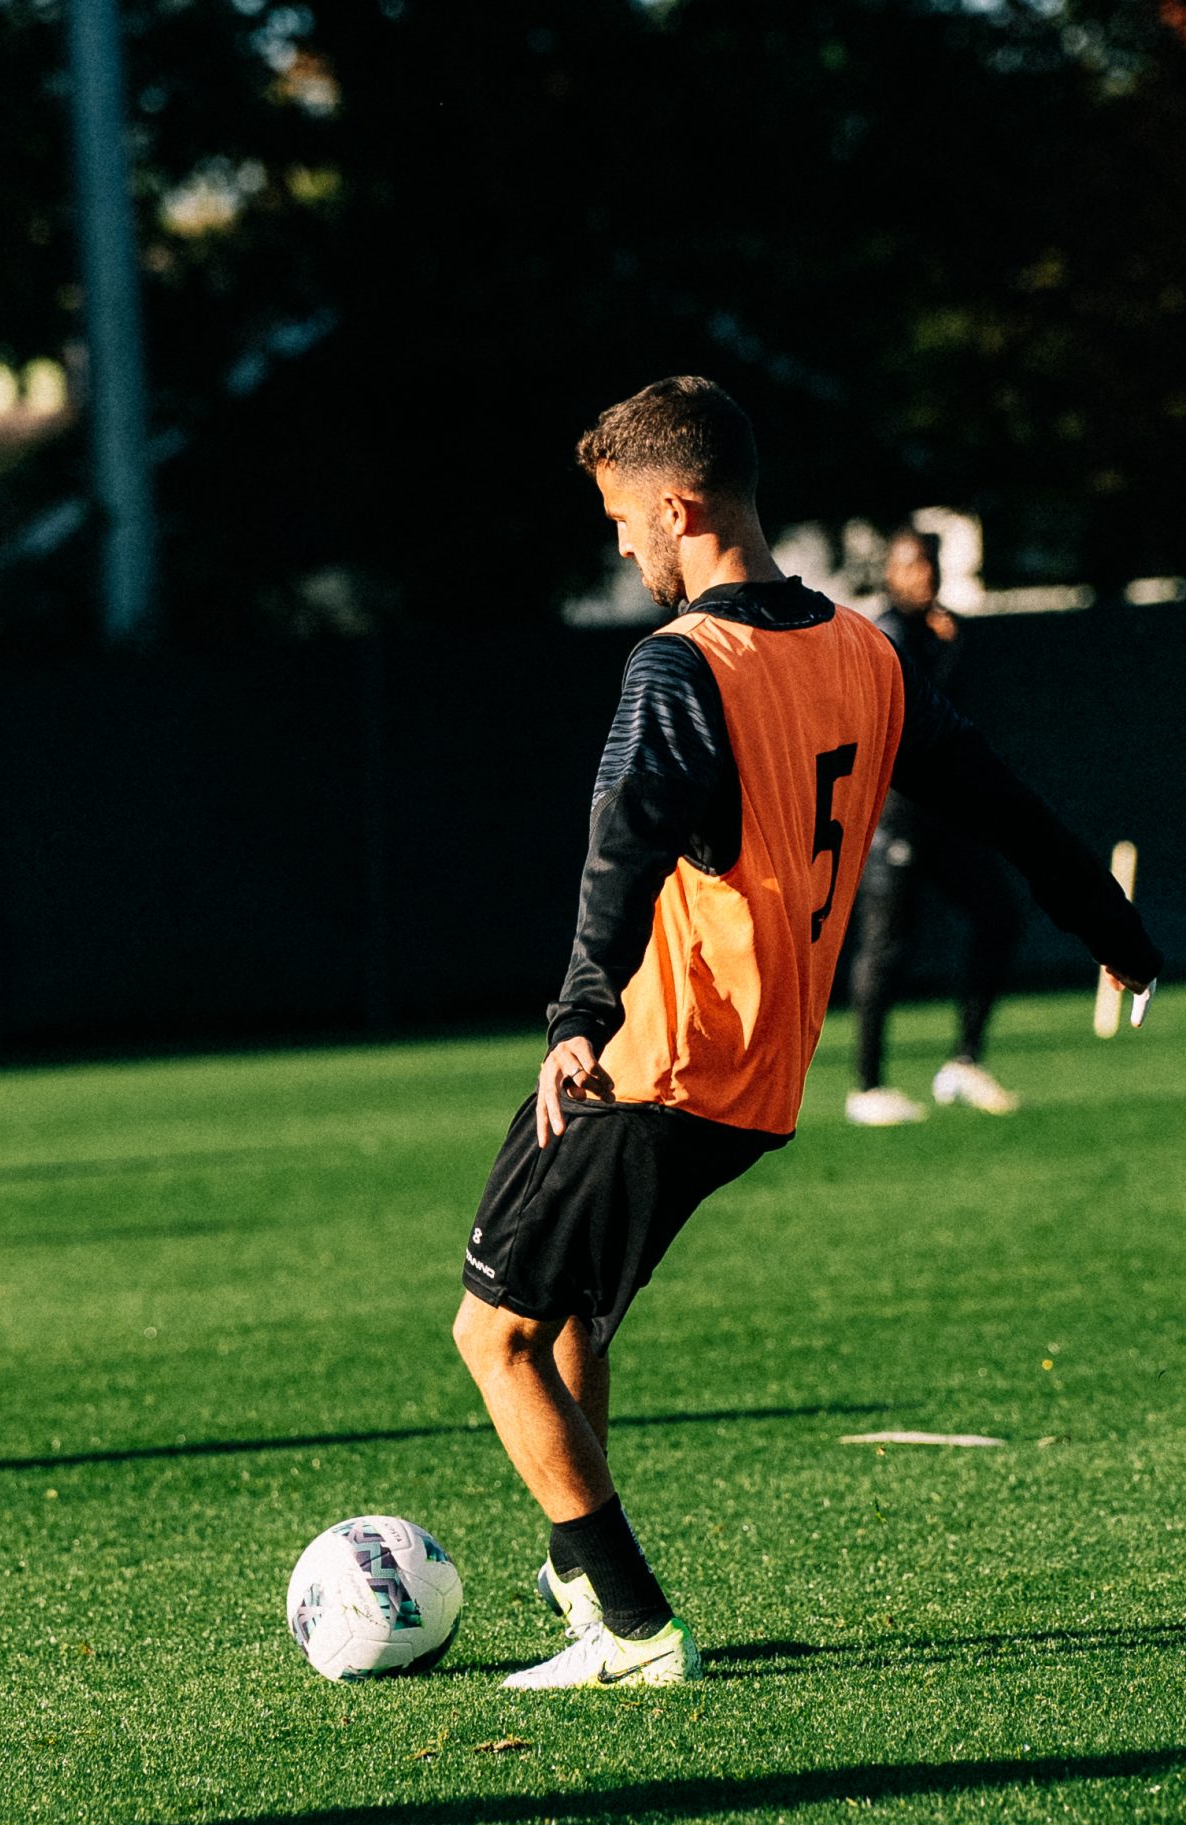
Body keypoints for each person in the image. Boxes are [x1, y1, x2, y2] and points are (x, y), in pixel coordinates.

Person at [451, 376, 1161, 1692]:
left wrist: (575, 1018)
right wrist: (1111, 929)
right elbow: (1003, 807)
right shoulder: (862, 654)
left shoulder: (678, 665)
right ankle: (580, 1583)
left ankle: (628, 1625)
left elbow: (620, 853)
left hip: (648, 1064)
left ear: (676, 506)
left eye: (619, 520)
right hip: (755, 1084)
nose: (617, 547)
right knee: (562, 1326)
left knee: (487, 1333)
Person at [846, 528, 1024, 1126]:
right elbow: (920, 720)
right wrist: (949, 651)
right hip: (895, 817)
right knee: (884, 950)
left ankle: (964, 1062)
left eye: (928, 564)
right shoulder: (888, 634)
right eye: (909, 566)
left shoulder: (940, 630)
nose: (921, 576)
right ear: (891, 573)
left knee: (999, 915)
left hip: (945, 819)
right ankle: (867, 1087)